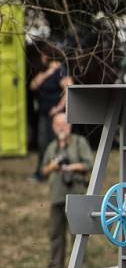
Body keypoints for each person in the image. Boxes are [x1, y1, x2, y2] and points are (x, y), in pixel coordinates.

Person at [40, 113, 93, 268]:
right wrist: (54, 166)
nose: (62, 127)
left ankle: (80, 266)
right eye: (58, 125)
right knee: (56, 233)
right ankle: (55, 267)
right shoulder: (51, 147)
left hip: (76, 196)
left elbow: (89, 163)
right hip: (57, 196)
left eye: (64, 124)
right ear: (54, 127)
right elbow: (44, 170)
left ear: (69, 125)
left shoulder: (79, 142)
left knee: (76, 232)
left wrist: (70, 168)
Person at [29, 47, 73, 181]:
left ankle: (62, 173)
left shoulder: (61, 71)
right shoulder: (46, 71)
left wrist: (59, 107)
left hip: (56, 116)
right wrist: (48, 72)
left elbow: (69, 89)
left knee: (59, 143)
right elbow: (33, 85)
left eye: (43, 55)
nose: (41, 58)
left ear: (48, 56)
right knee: (43, 144)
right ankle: (42, 173)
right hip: (44, 114)